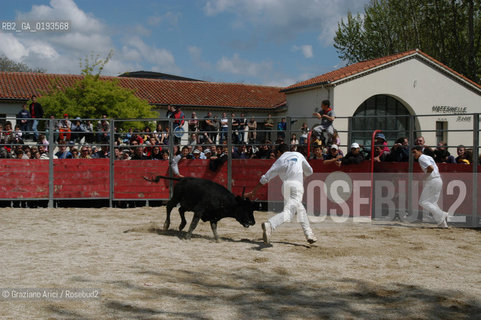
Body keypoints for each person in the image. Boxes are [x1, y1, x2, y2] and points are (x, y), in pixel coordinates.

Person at [246, 143, 317, 245]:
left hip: (286, 187)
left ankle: (309, 234)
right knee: (289, 213)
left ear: (279, 152)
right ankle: (270, 224)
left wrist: (254, 191)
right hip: (296, 186)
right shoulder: (298, 155)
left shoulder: (279, 161)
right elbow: (310, 171)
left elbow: (265, 178)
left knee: (300, 209)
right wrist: (302, 177)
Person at [412, 146, 448, 228]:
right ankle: (442, 223)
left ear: (419, 151)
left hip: (432, 180)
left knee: (423, 202)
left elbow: (430, 168)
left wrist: (424, 177)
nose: (413, 154)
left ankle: (442, 214)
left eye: (414, 152)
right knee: (433, 203)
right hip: (438, 180)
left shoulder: (421, 158)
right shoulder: (428, 157)